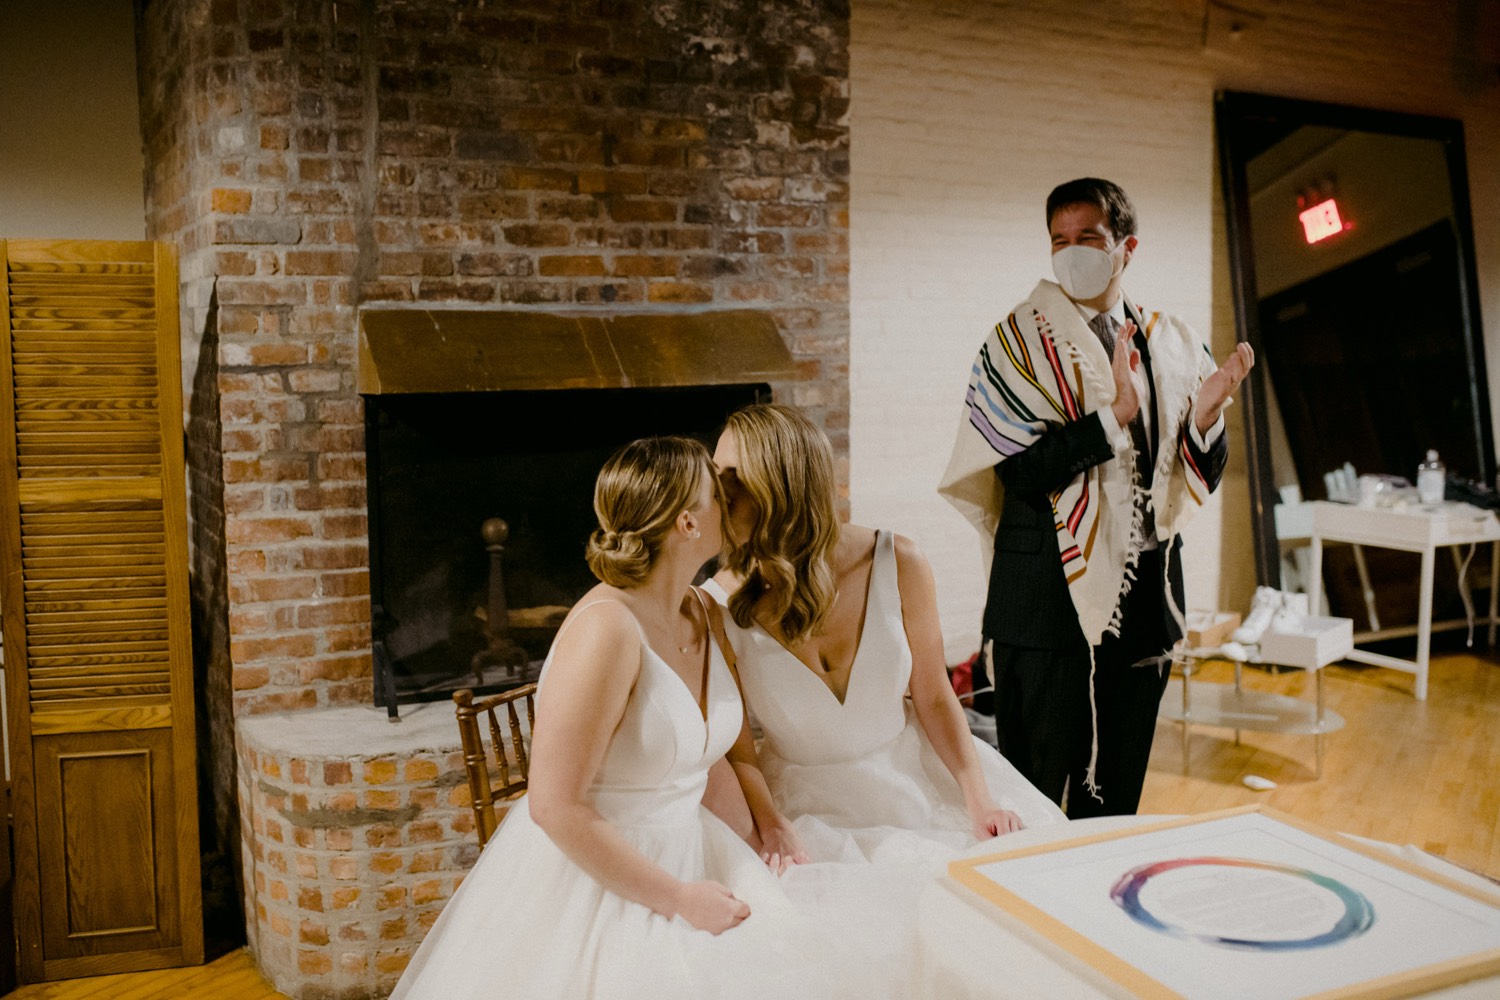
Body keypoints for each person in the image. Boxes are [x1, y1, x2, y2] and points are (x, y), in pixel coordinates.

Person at [391, 437, 883, 1000]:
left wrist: (759, 841)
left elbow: (705, 759)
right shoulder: (606, 632)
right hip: (608, 875)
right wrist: (679, 899)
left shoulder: (702, 610)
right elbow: (553, 806)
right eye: (720, 493)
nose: (734, 502)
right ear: (687, 524)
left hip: (698, 845)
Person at [939, 177, 1254, 819]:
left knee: (1115, 796)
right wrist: (1111, 419)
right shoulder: (1016, 343)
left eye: (1088, 238)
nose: (1071, 252)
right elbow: (1017, 474)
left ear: (1125, 248)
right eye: (1059, 240)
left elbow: (1193, 473)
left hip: (1142, 605)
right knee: (1032, 797)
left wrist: (1204, 419)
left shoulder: (1171, 342)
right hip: (1044, 606)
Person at [702, 403, 1066, 866]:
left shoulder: (899, 562)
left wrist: (979, 799)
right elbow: (740, 752)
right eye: (715, 473)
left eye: (733, 476)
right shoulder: (715, 606)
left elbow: (935, 697)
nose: (715, 492)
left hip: (916, 782)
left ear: (783, 486)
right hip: (804, 808)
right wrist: (770, 824)